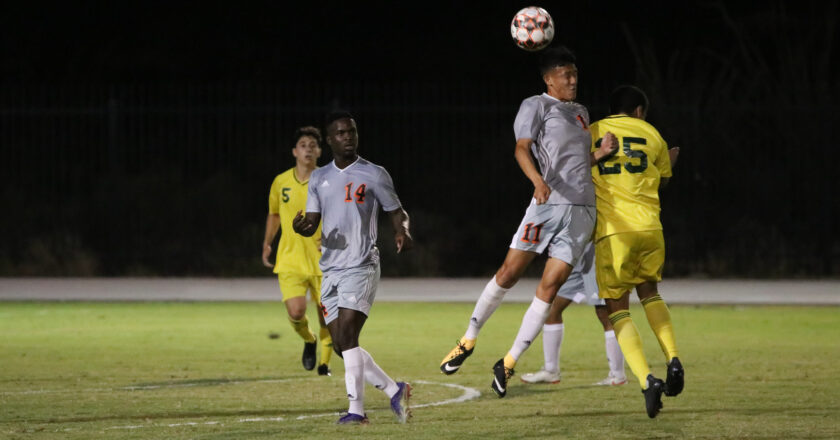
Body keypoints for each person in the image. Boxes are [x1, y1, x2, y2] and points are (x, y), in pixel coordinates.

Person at [438, 46, 618, 398]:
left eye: (575, 74)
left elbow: (578, 162)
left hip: (582, 211)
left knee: (549, 291)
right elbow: (522, 148)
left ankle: (509, 360)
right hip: (547, 204)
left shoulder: (581, 112)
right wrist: (537, 181)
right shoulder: (535, 105)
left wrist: (600, 154)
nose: (573, 80)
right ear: (548, 78)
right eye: (566, 75)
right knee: (508, 274)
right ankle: (468, 338)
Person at [293, 111, 414, 425]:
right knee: (341, 345)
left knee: (348, 335)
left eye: (352, 132)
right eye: (341, 133)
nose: (348, 137)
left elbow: (397, 212)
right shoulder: (319, 177)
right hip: (330, 269)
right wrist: (302, 227)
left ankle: (357, 412)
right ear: (331, 139)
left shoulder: (374, 173)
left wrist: (402, 231)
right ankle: (394, 389)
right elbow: (312, 223)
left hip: (361, 265)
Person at [589, 85, 682, 418]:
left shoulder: (594, 131)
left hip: (615, 233)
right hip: (651, 228)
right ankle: (673, 357)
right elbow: (662, 182)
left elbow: (576, 171)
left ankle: (647, 380)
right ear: (640, 111)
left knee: (618, 310)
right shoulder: (652, 134)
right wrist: (667, 164)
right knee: (651, 295)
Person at [262, 126, 332, 376]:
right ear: (295, 151)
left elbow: (342, 215)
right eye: (303, 144)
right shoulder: (281, 182)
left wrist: (333, 238)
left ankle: (324, 364)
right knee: (296, 311)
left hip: (325, 260)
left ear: (320, 151)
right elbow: (274, 214)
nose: (308, 149)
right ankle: (309, 339)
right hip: (290, 258)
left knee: (327, 315)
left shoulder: (328, 180)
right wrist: (268, 242)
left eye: (313, 145)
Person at [519, 242, 626, 386]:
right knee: (551, 309)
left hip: (597, 251)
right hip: (572, 254)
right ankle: (551, 371)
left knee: (604, 312)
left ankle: (617, 375)